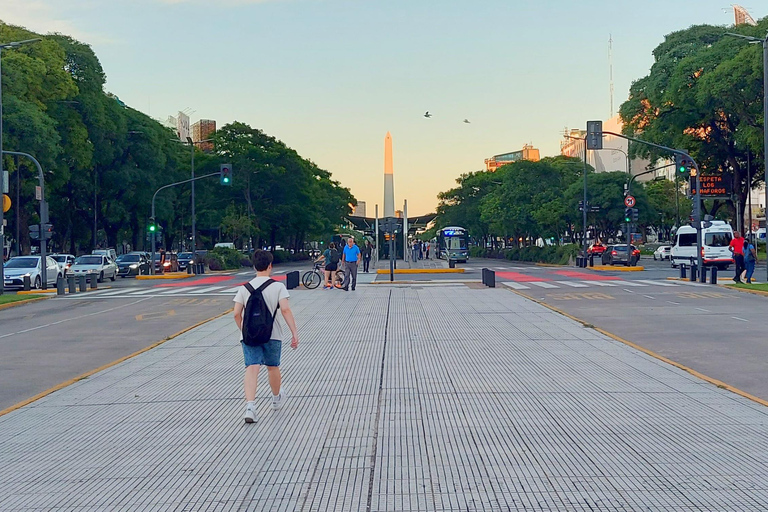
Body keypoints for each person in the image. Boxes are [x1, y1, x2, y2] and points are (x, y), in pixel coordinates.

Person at [233, 250, 299, 424]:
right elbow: (285, 309)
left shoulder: (244, 288)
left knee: (252, 368)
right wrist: (294, 332)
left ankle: (250, 406)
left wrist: (243, 330)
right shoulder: (278, 287)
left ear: (254, 266)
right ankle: (276, 398)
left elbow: (236, 314)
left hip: (249, 336)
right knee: (272, 367)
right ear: (270, 266)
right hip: (273, 334)